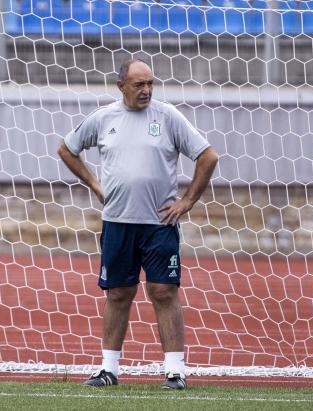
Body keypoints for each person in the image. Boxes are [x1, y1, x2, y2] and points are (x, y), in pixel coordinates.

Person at [58, 58, 218, 390]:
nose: (146, 90)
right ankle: (108, 370)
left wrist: (187, 201)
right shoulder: (104, 119)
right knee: (118, 293)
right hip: (117, 222)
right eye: (139, 84)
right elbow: (66, 149)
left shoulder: (168, 116)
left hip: (159, 223)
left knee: (164, 291)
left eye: (150, 84)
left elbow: (208, 156)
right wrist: (95, 185)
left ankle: (175, 371)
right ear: (121, 87)